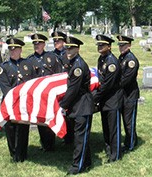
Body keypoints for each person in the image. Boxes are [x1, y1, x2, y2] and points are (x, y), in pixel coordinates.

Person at [59, 36, 94, 175]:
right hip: (78, 105)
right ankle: (87, 162)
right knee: (81, 136)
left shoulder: (78, 66)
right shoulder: (72, 62)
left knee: (80, 138)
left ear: (78, 49)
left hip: (82, 105)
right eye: (67, 47)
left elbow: (73, 89)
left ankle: (77, 166)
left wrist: (62, 105)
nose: (68, 50)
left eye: (71, 48)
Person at [0, 38, 35, 162]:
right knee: (11, 129)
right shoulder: (4, 67)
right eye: (10, 49)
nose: (12, 52)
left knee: (23, 128)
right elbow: (6, 88)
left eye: (15, 49)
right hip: (10, 103)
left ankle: (22, 153)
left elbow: (32, 82)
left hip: (24, 103)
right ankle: (14, 153)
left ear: (20, 50)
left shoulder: (28, 64)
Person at [27, 33, 62, 151]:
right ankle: (45, 143)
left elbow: (58, 74)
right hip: (38, 95)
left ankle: (51, 142)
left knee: (51, 117)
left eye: (39, 43)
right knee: (40, 118)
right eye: (35, 44)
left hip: (50, 94)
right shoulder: (30, 60)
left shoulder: (52, 57)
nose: (36, 46)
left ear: (44, 44)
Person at [93, 34, 122, 162]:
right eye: (98, 45)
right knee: (106, 127)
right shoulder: (102, 59)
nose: (99, 47)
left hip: (112, 99)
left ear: (109, 47)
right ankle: (108, 149)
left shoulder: (112, 63)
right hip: (104, 99)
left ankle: (115, 155)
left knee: (113, 128)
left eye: (102, 45)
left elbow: (107, 85)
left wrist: (94, 97)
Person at [117, 35, 140, 152]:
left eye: (124, 45)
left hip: (130, 94)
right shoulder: (121, 58)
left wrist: (114, 85)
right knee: (126, 120)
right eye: (120, 45)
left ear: (129, 45)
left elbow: (126, 79)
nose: (121, 47)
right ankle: (131, 140)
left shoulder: (131, 60)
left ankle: (130, 145)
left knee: (129, 121)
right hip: (123, 94)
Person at [51, 31, 74, 144]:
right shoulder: (51, 55)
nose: (56, 42)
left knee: (68, 114)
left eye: (58, 40)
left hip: (67, 88)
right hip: (55, 89)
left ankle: (69, 136)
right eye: (54, 40)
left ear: (64, 42)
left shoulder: (69, 54)